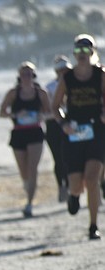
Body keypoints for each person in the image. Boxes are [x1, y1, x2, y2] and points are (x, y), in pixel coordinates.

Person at [51, 34, 105, 241]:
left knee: (92, 179)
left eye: (86, 50)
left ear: (92, 52)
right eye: (78, 51)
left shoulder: (100, 75)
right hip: (73, 133)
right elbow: (55, 107)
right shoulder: (68, 78)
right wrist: (64, 124)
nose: (82, 54)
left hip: (96, 132)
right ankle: (74, 196)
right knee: (76, 184)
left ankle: (93, 226)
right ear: (74, 53)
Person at [0, 61, 50, 218]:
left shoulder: (41, 93)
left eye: (29, 74)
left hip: (35, 132)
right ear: (19, 76)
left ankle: (29, 204)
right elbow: (2, 112)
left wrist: (42, 116)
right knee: (23, 171)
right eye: (23, 74)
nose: (26, 77)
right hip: (18, 133)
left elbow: (51, 112)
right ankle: (28, 187)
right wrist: (15, 115)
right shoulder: (13, 93)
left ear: (33, 76)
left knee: (32, 168)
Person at [45, 55, 72, 202]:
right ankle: (61, 186)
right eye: (61, 70)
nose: (64, 72)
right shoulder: (50, 87)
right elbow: (49, 108)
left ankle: (69, 185)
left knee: (69, 156)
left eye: (66, 69)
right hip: (54, 125)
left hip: (69, 122)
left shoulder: (74, 83)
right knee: (58, 158)